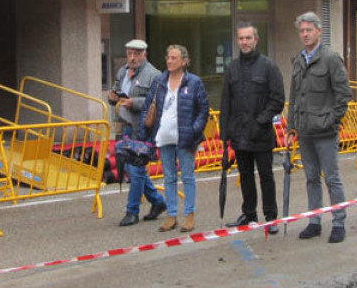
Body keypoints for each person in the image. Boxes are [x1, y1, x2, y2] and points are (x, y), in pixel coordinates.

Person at [286, 12, 352, 244]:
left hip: (325, 132)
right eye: (302, 31)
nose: (305, 34)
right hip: (305, 133)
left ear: (318, 31)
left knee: (331, 178)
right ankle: (314, 221)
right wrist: (291, 128)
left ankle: (338, 222)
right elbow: (294, 98)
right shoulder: (298, 60)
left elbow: (344, 95)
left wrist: (332, 120)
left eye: (309, 30)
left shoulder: (331, 59)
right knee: (311, 178)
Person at [221, 22, 285, 233]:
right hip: (239, 135)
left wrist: (261, 121)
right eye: (241, 38)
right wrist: (225, 133)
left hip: (261, 134)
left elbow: (278, 99)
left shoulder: (268, 67)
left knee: (266, 176)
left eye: (248, 38)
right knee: (245, 176)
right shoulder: (232, 68)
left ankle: (270, 217)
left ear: (256, 40)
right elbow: (226, 103)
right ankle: (249, 214)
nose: (245, 42)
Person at [140, 45, 209, 233]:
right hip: (163, 137)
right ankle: (171, 215)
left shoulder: (194, 82)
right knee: (169, 177)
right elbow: (147, 107)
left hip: (186, 138)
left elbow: (203, 111)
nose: (170, 61)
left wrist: (194, 131)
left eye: (174, 58)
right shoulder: (159, 82)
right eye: (168, 57)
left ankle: (189, 215)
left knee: (187, 177)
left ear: (184, 61)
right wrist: (144, 133)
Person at [109, 39, 167, 227]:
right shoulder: (122, 72)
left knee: (136, 170)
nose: (132, 58)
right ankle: (158, 202)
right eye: (129, 54)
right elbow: (117, 93)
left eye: (136, 54)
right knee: (130, 168)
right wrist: (112, 98)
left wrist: (135, 102)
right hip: (124, 125)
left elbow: (158, 101)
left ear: (144, 54)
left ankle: (131, 211)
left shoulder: (154, 75)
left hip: (141, 128)